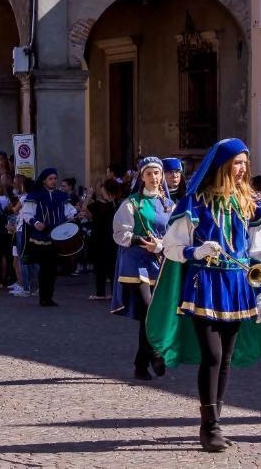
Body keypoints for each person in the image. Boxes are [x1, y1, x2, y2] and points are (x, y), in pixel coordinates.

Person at [150, 138, 261, 453]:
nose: (242, 169)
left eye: (245, 163)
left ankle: (215, 420)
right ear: (222, 166)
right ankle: (209, 427)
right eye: (237, 163)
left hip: (237, 287)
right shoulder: (195, 202)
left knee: (226, 359)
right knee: (213, 356)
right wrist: (198, 250)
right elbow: (171, 247)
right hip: (204, 284)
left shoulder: (250, 203)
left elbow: (260, 254)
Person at [111, 157, 171, 380]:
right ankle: (155, 354)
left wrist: (161, 245)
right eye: (149, 174)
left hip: (160, 264)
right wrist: (140, 240)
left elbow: (176, 236)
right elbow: (119, 233)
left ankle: (140, 363)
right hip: (136, 264)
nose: (154, 178)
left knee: (154, 314)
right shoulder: (131, 203)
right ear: (141, 177)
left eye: (157, 173)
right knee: (148, 309)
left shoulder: (169, 205)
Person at [20, 167, 78, 307]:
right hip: (42, 236)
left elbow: (69, 211)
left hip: (57, 236)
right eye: (50, 179)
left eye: (55, 179)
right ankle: (43, 297)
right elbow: (27, 214)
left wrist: (75, 216)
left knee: (52, 269)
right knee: (45, 268)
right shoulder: (36, 195)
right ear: (44, 180)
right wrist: (36, 222)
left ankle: (49, 297)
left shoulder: (61, 195)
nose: (53, 181)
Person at [86, 179, 123, 300]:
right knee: (111, 267)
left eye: (104, 192)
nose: (103, 194)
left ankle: (101, 293)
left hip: (102, 239)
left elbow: (84, 209)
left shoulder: (104, 205)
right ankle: (112, 293)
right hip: (112, 239)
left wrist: (89, 196)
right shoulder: (118, 204)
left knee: (102, 267)